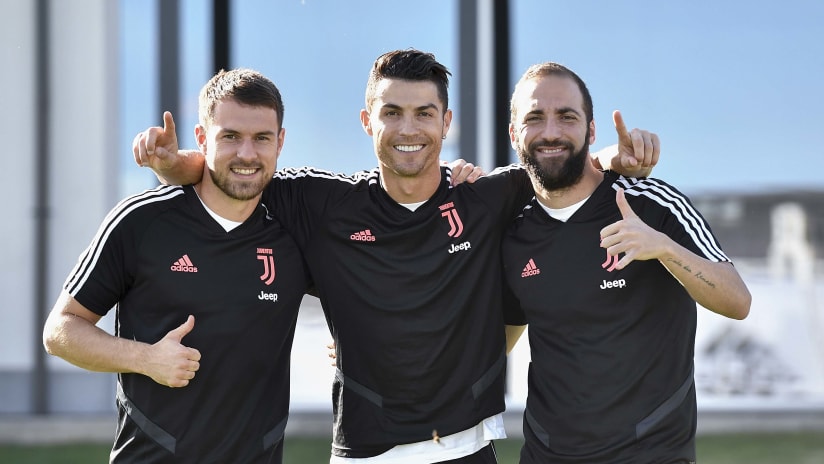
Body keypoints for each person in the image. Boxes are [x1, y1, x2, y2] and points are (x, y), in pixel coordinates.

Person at [134, 49, 658, 463]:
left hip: (468, 448)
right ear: (368, 121)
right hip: (365, 451)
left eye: (423, 113)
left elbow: (559, 168)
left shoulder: (485, 196)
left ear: (446, 122)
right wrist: (175, 166)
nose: (409, 129)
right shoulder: (320, 203)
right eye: (392, 113)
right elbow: (239, 170)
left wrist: (614, 157)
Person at [42, 68, 312, 463]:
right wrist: (145, 359)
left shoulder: (295, 231)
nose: (247, 154)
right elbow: (59, 330)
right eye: (230, 137)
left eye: (261, 139)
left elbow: (368, 287)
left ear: (280, 142)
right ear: (202, 139)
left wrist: (351, 340)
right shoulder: (141, 222)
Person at [502, 62, 752, 463]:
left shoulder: (650, 203)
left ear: (591, 130)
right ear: (514, 134)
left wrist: (665, 249)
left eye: (567, 117)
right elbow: (503, 336)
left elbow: (737, 300)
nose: (551, 132)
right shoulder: (514, 233)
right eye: (535, 118)